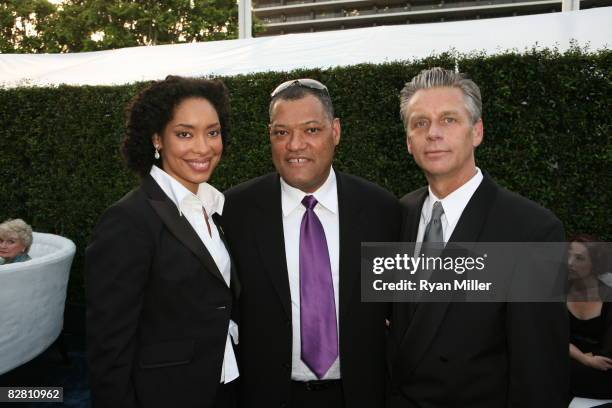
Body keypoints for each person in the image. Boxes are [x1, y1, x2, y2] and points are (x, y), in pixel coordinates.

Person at [387, 67, 568, 407]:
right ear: (408, 141)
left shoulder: (531, 231)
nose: (433, 133)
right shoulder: (397, 215)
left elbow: (541, 372)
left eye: (449, 120)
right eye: (420, 123)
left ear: (477, 132)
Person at [222, 78, 400, 407]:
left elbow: (403, 310)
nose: (295, 145)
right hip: (268, 396)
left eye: (311, 130)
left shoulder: (382, 210)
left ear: (335, 132)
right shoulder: (234, 212)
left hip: (361, 394)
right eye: (281, 132)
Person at [85, 76, 240, 408]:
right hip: (167, 394)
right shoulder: (128, 220)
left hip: (224, 383)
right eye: (185, 134)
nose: (203, 147)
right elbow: (109, 347)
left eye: (212, 132)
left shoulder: (214, 207)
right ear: (157, 139)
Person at [567, 235, 612, 399]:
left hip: (599, 373)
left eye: (579, 258)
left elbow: (607, 358)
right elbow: (550, 336)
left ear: (594, 265)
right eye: (568, 254)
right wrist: (584, 358)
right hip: (567, 363)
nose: (569, 263)